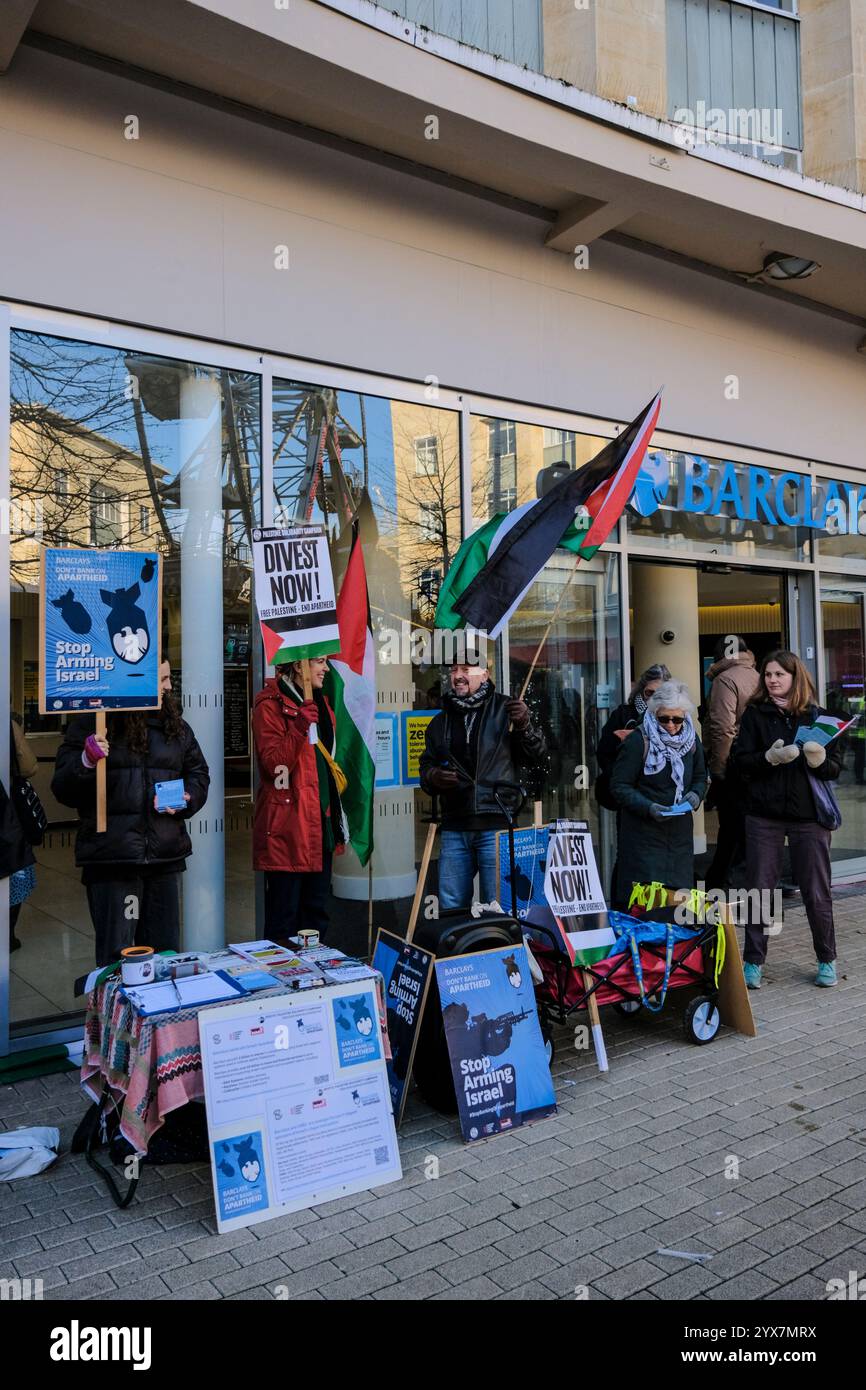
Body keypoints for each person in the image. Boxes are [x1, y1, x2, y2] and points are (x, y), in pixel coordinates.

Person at [51, 661, 210, 966]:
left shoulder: (176, 727)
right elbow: (62, 788)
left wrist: (189, 797)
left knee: (164, 960)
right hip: (113, 862)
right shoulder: (93, 724)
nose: (169, 686)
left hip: (164, 859)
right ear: (137, 679)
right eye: (162, 678)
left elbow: (198, 772)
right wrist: (85, 760)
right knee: (118, 964)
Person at [731, 650, 844, 990]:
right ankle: (753, 963)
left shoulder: (818, 717)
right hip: (764, 816)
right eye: (768, 674)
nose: (773, 680)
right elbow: (740, 763)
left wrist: (818, 760)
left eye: (780, 674)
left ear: (796, 678)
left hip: (809, 817)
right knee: (759, 891)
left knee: (816, 891)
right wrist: (769, 757)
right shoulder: (755, 715)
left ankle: (827, 959)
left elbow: (834, 769)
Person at [419, 659, 546, 912]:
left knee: (498, 906)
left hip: (496, 822)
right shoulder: (439, 721)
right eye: (454, 670)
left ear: (484, 675)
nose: (458, 676)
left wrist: (525, 726)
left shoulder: (507, 710)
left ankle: (500, 953)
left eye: (466, 670)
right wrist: (433, 776)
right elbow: (426, 769)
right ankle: (458, 953)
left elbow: (537, 755)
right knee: (451, 906)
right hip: (455, 825)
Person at [252, 656, 345, 940]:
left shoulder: (323, 704)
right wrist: (299, 727)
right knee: (284, 920)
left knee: (316, 914)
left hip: (320, 825)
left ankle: (316, 980)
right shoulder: (269, 705)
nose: (326, 669)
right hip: (288, 829)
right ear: (298, 666)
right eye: (319, 662)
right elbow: (274, 766)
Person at [610, 679, 707, 908]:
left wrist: (695, 795)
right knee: (644, 903)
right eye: (664, 719)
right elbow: (619, 786)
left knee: (677, 900)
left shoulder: (692, 739)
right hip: (643, 837)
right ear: (654, 714)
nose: (671, 725)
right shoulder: (637, 740)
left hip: (679, 837)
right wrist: (649, 807)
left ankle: (674, 944)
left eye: (677, 719)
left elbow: (701, 777)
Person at [703, 636, 760, 889]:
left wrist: (718, 769)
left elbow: (722, 729)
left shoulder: (724, 680)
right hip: (757, 762)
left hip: (734, 764)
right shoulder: (758, 675)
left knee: (730, 828)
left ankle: (720, 885)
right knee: (750, 827)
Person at [4, 719, 39, 952]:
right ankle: (8, 933)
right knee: (13, 868)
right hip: (7, 811)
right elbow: (28, 766)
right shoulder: (7, 723)